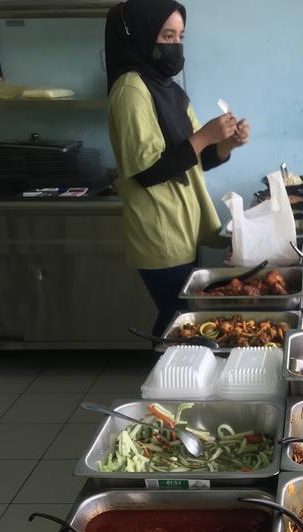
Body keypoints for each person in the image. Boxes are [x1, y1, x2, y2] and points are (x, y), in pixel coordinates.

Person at [105, 0, 250, 335]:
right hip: (160, 235)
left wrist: (226, 142)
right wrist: (204, 136)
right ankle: (165, 382)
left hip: (183, 229)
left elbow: (195, 160)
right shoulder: (131, 90)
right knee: (178, 320)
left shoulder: (169, 91)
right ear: (141, 36)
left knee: (181, 317)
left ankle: (172, 378)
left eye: (180, 36)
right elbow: (149, 171)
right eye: (166, 36)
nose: (175, 46)